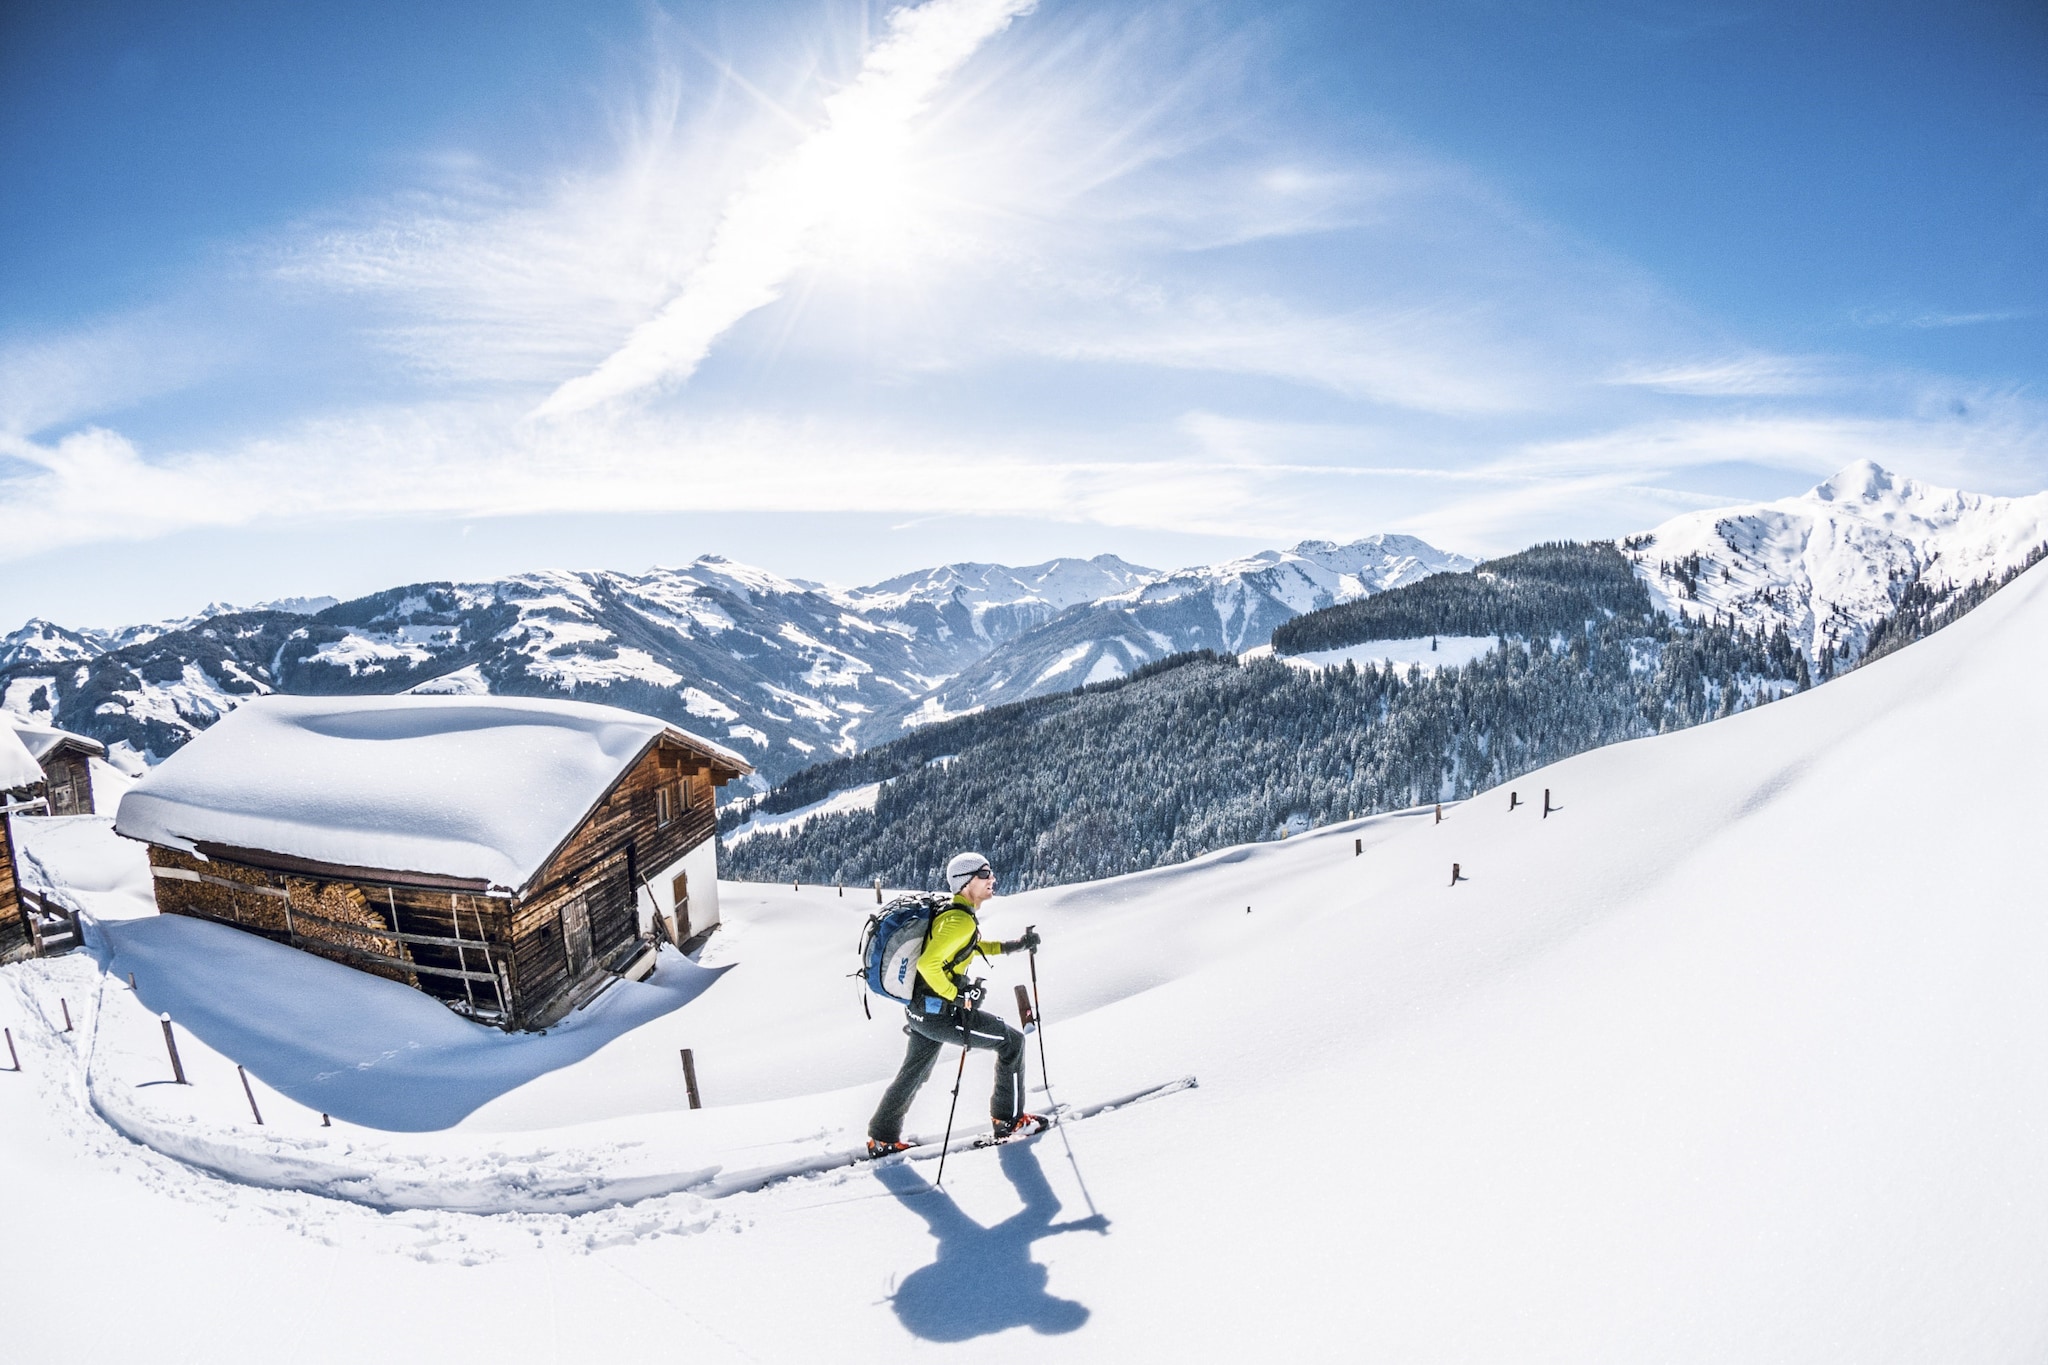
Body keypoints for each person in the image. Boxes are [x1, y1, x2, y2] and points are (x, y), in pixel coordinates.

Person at [867, 851, 1044, 1157]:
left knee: (914, 1071)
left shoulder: (954, 914)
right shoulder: (959, 920)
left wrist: (1014, 946)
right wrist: (959, 996)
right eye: (984, 874)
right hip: (941, 1013)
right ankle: (1010, 1122)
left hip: (920, 1009)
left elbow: (969, 948)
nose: (992, 879)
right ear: (965, 883)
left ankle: (882, 1137)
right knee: (1012, 1043)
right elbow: (928, 964)